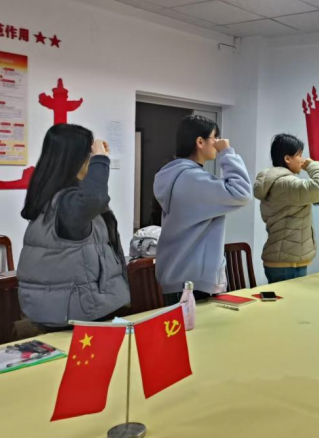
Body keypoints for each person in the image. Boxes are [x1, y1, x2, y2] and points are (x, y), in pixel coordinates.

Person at [17, 124, 130, 328]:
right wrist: (100, 159)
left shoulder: (51, 197)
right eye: (88, 155)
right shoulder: (66, 202)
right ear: (77, 158)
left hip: (63, 307)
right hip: (75, 312)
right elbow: (95, 198)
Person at [154, 115, 252, 305]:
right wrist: (227, 153)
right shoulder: (192, 179)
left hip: (177, 275)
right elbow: (242, 192)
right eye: (215, 137)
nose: (217, 143)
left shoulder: (173, 175)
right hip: (193, 280)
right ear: (200, 142)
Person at [254, 133, 319, 284]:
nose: (302, 160)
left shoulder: (278, 182)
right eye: (299, 155)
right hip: (288, 264)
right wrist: (313, 165)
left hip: (284, 260)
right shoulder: (286, 184)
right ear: (287, 159)